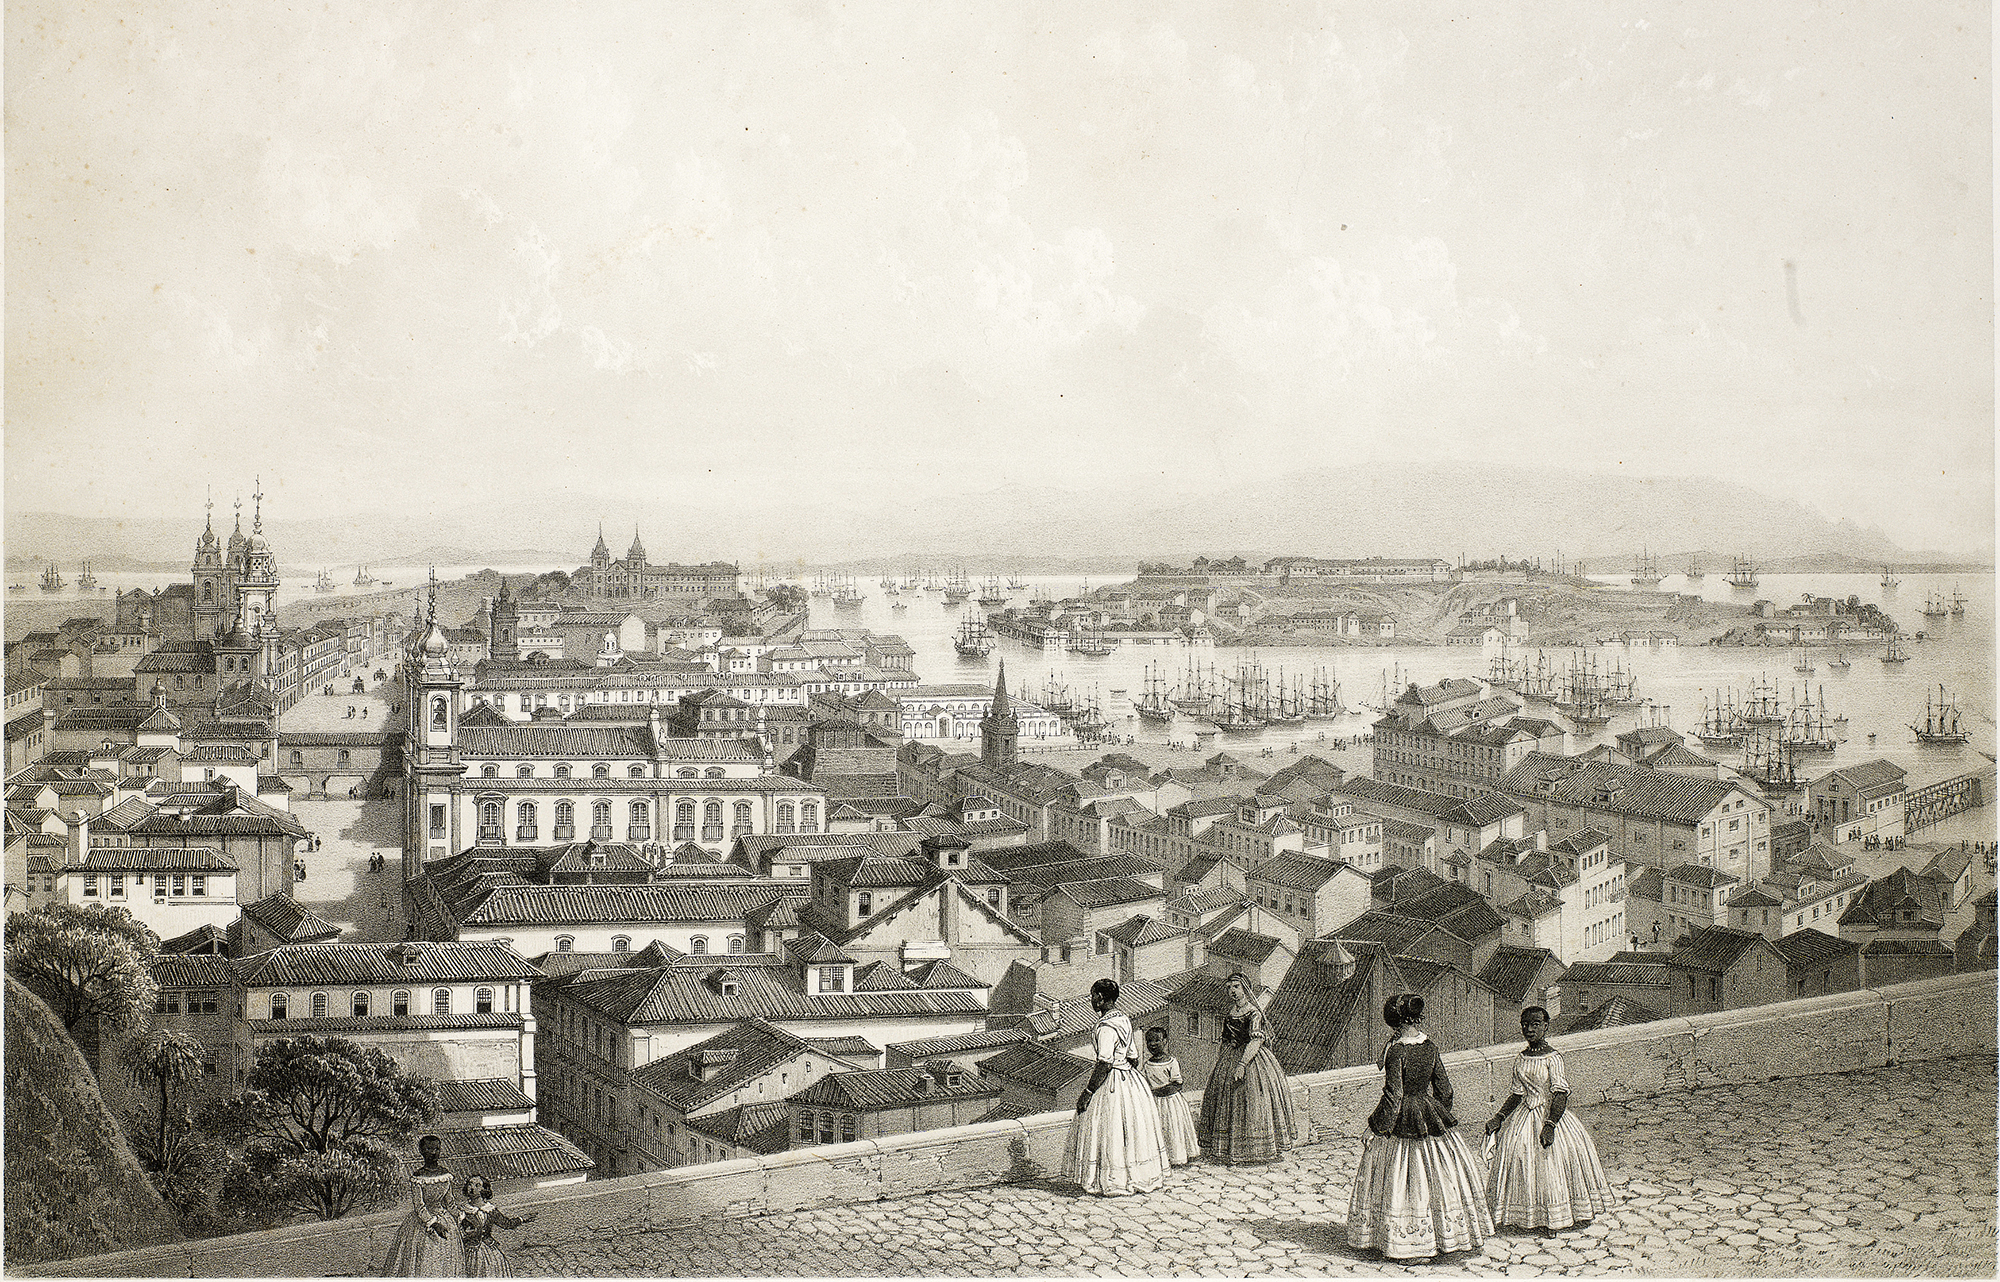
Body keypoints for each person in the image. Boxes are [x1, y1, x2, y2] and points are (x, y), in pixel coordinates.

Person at [1347, 993, 1491, 1262]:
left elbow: (1393, 1096)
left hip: (1405, 1118)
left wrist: (1375, 1128)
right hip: (1429, 1112)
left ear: (1393, 1022)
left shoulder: (1397, 1051)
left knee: (1404, 1181)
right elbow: (1445, 1090)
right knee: (1440, 1181)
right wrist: (1434, 1113)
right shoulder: (1430, 1046)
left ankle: (1410, 1246)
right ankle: (1447, 1239)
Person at [1484, 1006, 1614, 1233]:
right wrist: (1499, 1117)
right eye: (1525, 1024)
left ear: (1545, 1026)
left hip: (1550, 1115)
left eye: (1535, 1024)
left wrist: (1550, 1125)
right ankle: (1527, 1217)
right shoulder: (1521, 1058)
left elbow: (1560, 1094)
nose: (1529, 1029)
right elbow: (1517, 1094)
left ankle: (1556, 1216)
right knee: (1520, 1157)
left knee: (1553, 1163)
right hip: (1525, 1116)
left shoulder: (1553, 1058)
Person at [1061, 977, 1168, 1196]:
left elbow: (1104, 1062)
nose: (1091, 1000)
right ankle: (1132, 1177)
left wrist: (1089, 1092)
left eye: (1093, 996)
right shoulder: (1124, 1019)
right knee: (1129, 1131)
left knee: (1110, 1130)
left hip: (1111, 1081)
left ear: (1100, 999)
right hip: (1130, 1080)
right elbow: (1134, 1057)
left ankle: (1111, 1181)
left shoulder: (1105, 1027)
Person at [1197, 973, 1296, 1165]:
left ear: (1245, 989)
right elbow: (1225, 1041)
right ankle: (1231, 1149)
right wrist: (1221, 1064)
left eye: (1236, 987)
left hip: (1253, 1061)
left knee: (1253, 1102)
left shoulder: (1253, 1013)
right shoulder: (1230, 1013)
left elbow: (1256, 1040)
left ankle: (1256, 1150)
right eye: (1229, 987)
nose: (1232, 991)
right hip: (1230, 1059)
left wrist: (1242, 1064)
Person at [382, 1134, 462, 1276]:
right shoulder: (418, 1177)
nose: (433, 1152)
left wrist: (461, 1216)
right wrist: (433, 1223)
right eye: (429, 1149)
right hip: (423, 1223)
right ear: (422, 1151)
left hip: (445, 1219)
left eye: (437, 1149)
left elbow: (449, 1202)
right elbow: (419, 1206)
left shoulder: (446, 1174)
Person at [1143, 1026, 1199, 1167]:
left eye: (1157, 1040)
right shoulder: (1147, 1065)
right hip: (1155, 1103)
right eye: (1149, 1041)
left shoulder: (1172, 1062)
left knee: (1173, 1128)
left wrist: (1159, 1091)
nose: (1153, 1044)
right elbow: (1143, 1083)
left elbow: (1177, 1084)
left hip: (1172, 1102)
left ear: (1165, 1041)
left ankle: (1177, 1156)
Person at [459, 1176, 536, 1276]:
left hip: (489, 1248)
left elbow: (506, 1224)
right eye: (470, 1184)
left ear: (484, 1190)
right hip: (470, 1250)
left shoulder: (490, 1209)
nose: (472, 1188)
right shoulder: (463, 1210)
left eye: (477, 1185)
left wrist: (522, 1219)